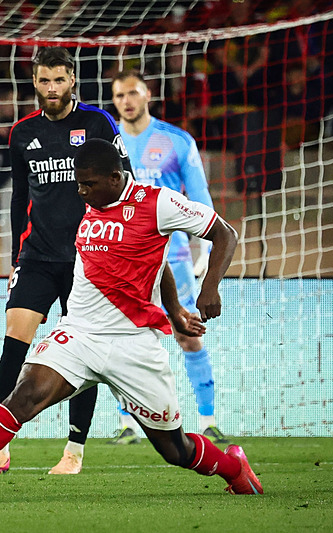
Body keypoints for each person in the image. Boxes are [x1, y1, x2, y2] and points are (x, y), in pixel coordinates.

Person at [0, 138, 261, 501]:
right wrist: (173, 309)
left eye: (89, 183)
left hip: (133, 343)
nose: (81, 190)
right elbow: (154, 260)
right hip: (79, 334)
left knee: (175, 450)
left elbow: (223, 234)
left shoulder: (159, 203)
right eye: (79, 183)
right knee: (21, 397)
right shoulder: (91, 205)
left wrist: (206, 290)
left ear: (115, 176)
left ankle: (234, 467)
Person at [0, 46, 135, 476]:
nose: (51, 88)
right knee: (14, 342)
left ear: (72, 81)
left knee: (83, 351)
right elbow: (19, 200)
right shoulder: (22, 133)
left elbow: (127, 181)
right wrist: (14, 257)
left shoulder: (98, 123)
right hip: (37, 255)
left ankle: (73, 452)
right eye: (44, 81)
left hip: (89, 258)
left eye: (59, 80)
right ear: (35, 83)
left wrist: (123, 246)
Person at [109, 69, 228, 445]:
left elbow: (202, 204)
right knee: (124, 339)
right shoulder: (107, 142)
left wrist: (206, 258)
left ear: (148, 94)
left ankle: (207, 420)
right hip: (125, 262)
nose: (126, 101)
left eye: (132, 93)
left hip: (172, 261)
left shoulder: (177, 142)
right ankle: (128, 424)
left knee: (188, 337)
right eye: (118, 96)